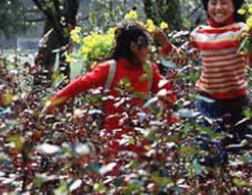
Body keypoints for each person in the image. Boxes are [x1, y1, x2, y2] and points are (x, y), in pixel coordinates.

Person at [153, 0, 252, 167]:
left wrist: (251, 45)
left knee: (238, 151)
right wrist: (165, 43)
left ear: (234, 6)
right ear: (207, 6)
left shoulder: (241, 31)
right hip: (206, 102)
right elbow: (180, 59)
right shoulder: (199, 33)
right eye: (213, 3)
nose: (218, 8)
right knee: (207, 152)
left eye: (224, 3)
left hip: (237, 103)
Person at [42, 22, 176, 155]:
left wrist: (174, 124)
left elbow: (168, 95)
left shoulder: (150, 70)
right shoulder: (110, 68)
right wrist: (51, 105)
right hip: (114, 144)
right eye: (146, 46)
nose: (149, 51)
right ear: (133, 47)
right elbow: (78, 85)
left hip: (142, 144)